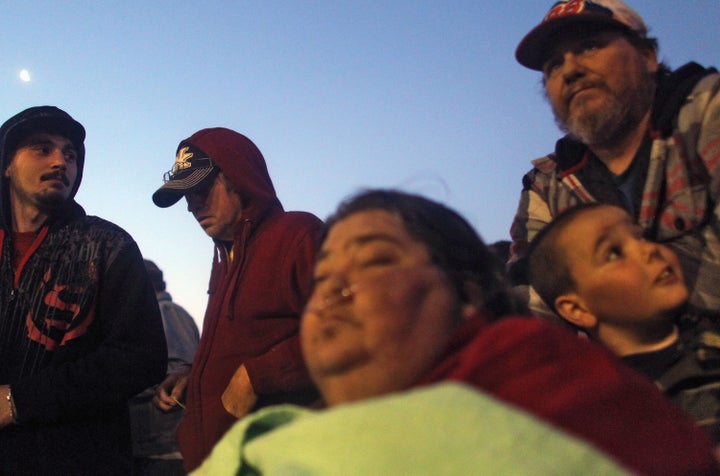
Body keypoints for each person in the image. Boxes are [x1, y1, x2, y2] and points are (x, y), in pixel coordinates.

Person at [195, 189, 719, 475]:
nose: (332, 292)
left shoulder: (547, 388)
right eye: (323, 278)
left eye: (375, 261)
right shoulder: (295, 432)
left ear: (466, 296)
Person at [508, 0, 720, 315]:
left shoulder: (707, 112)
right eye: (554, 64)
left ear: (647, 56)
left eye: (590, 46)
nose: (570, 70)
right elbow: (536, 305)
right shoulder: (547, 185)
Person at [0, 105, 167, 474]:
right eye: (42, 148)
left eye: (71, 154)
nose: (61, 161)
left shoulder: (107, 245)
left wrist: (19, 401)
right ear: (6, 165)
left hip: (80, 460)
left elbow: (142, 357)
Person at [151, 127, 322, 471]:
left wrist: (258, 375)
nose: (191, 206)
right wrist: (194, 374)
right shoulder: (223, 263)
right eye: (185, 195)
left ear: (238, 177)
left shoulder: (297, 234)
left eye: (199, 189)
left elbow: (351, 331)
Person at [527, 202, 720, 444]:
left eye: (640, 236)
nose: (649, 250)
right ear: (577, 309)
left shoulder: (709, 335)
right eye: (614, 253)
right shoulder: (621, 413)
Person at [130, 259, 200, 475]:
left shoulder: (166, 312)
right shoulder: (156, 315)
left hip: (166, 447)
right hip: (153, 446)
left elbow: (182, 371)